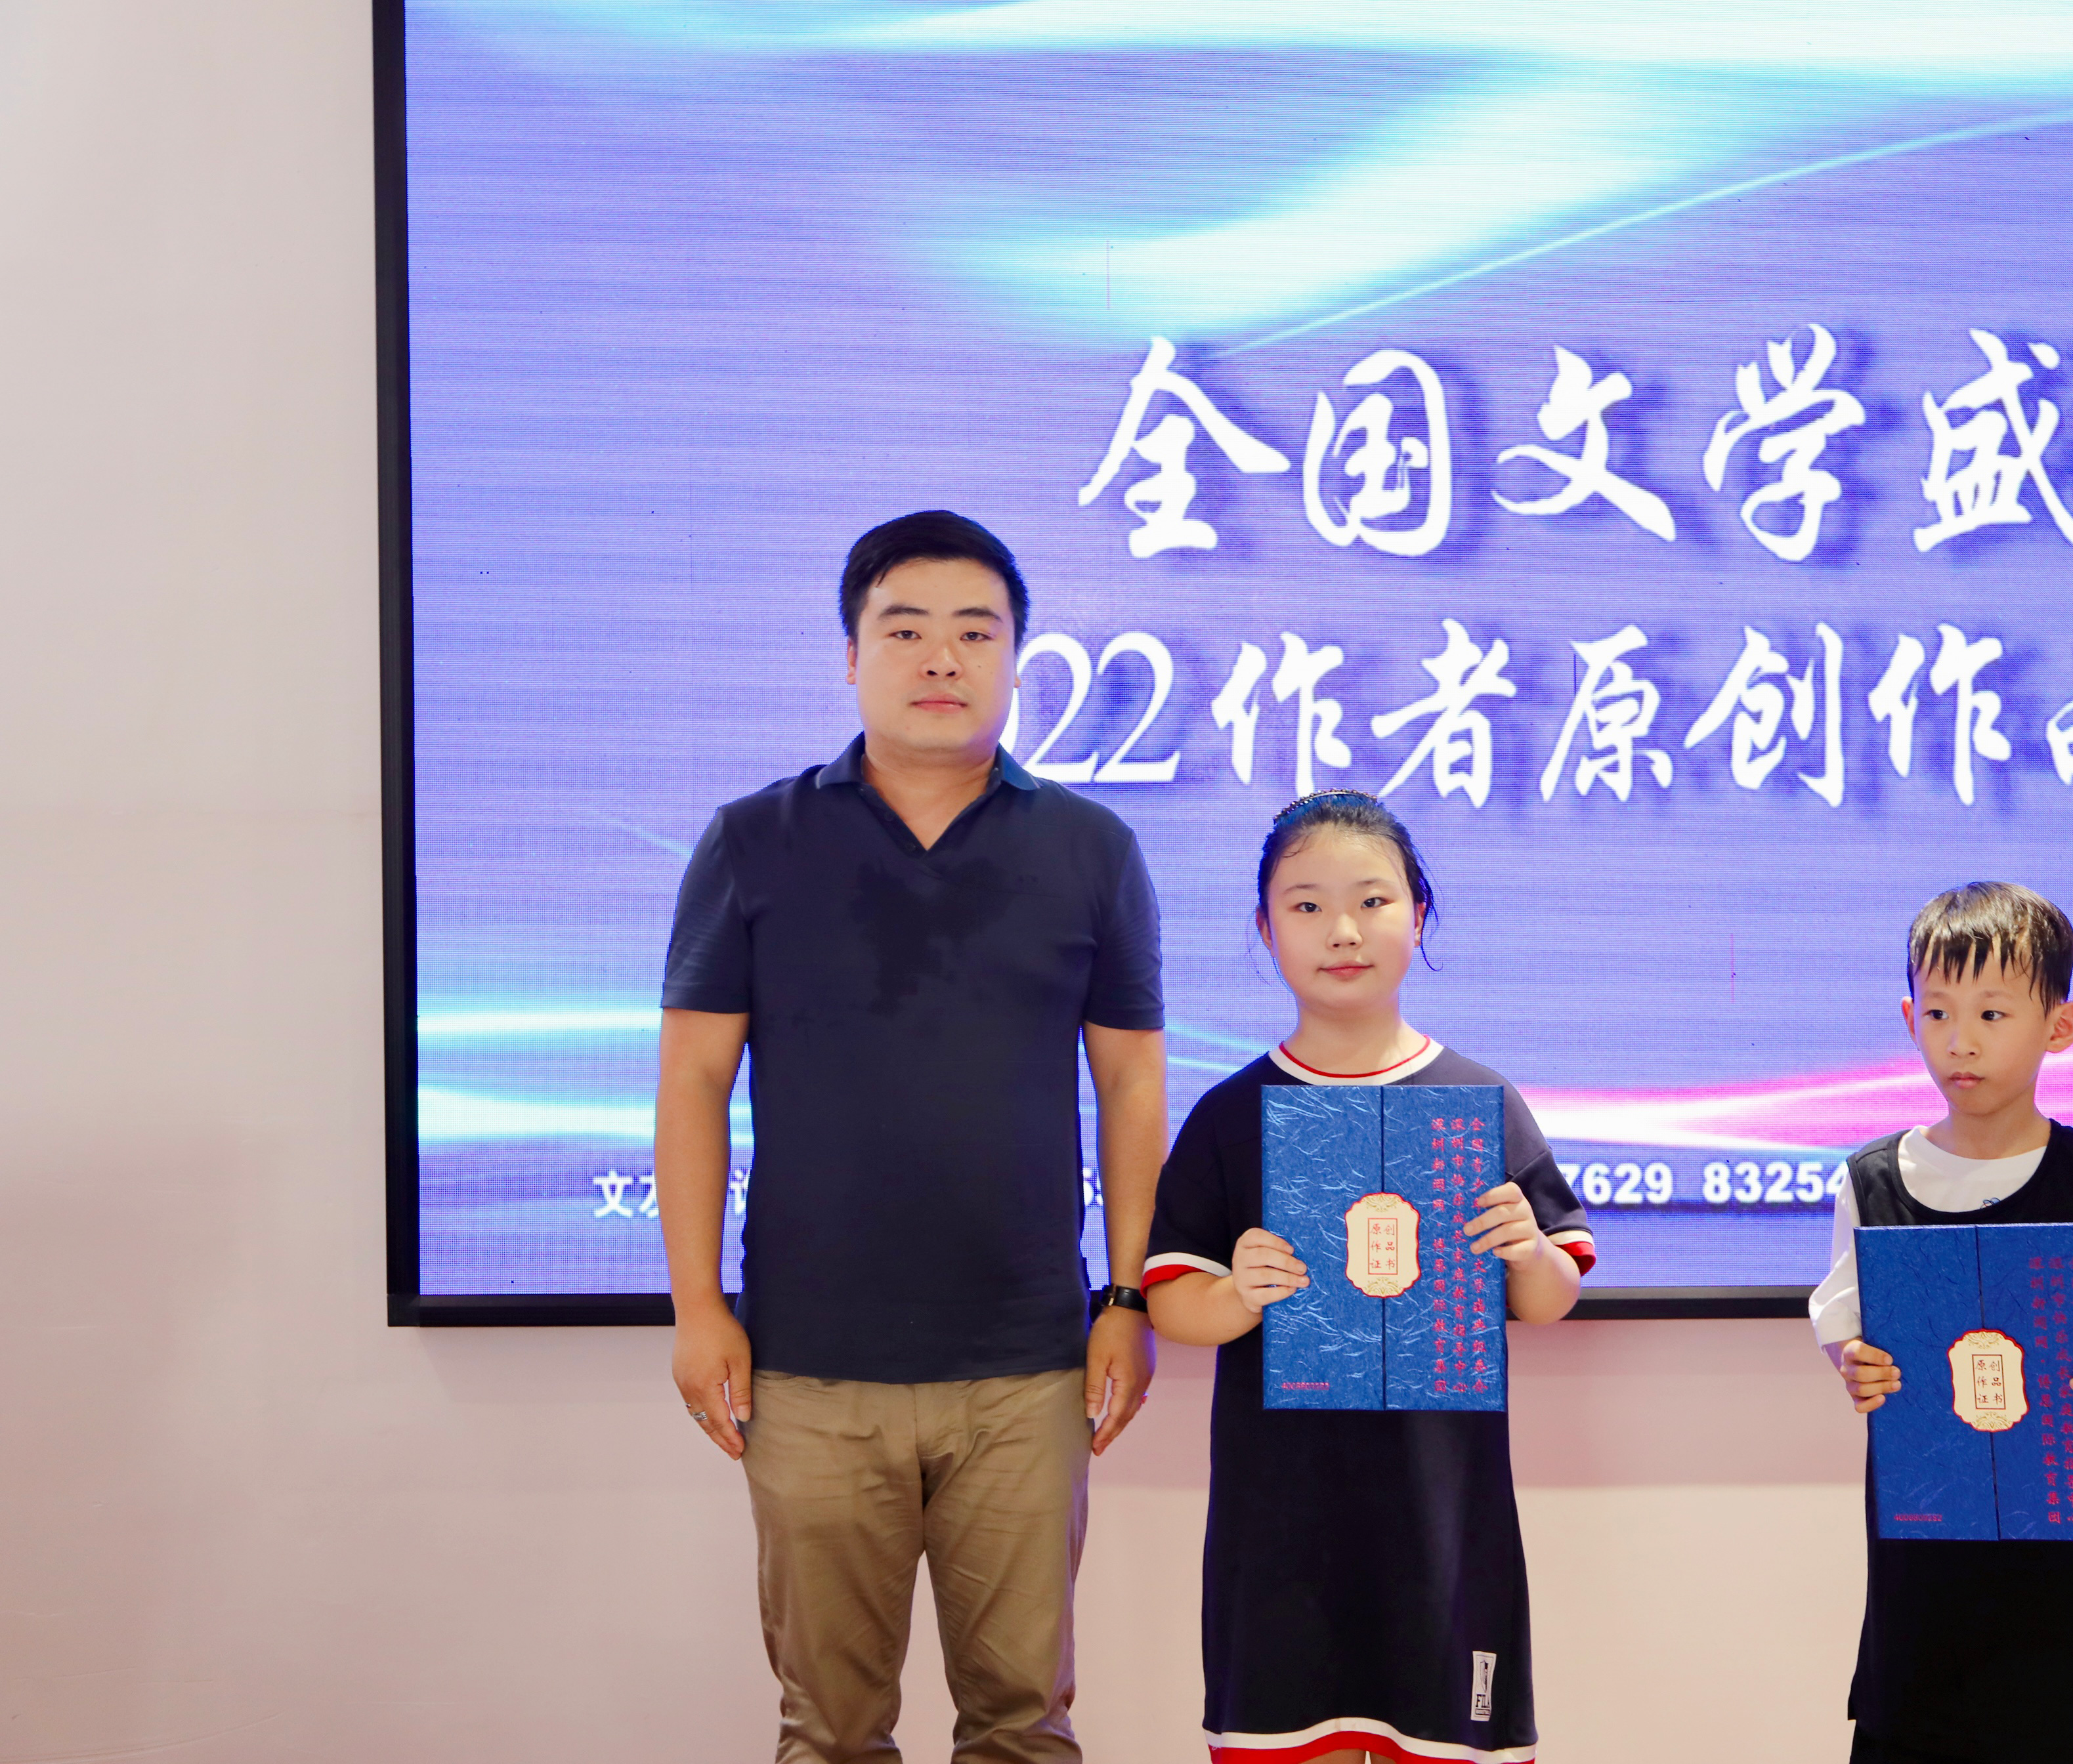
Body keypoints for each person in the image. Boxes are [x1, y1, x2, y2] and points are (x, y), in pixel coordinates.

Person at [652, 510, 1168, 1764]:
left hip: (1027, 1370)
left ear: (1017, 659)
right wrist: (697, 1308)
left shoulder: (1091, 849)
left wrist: (1126, 1299)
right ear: (851, 655)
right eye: (905, 630)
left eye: (976, 633)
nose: (942, 658)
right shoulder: (753, 841)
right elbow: (693, 1083)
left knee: (1022, 1724)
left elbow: (1131, 1089)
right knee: (830, 1731)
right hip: (811, 1367)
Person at [1142, 791, 1597, 1764]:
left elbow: (1551, 1295)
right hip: (1280, 1530)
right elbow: (1173, 1301)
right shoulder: (1231, 1114)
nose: (1342, 931)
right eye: (1306, 906)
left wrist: (1528, 1251)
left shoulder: (1477, 1101)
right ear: (1264, 928)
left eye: (1373, 901)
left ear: (1418, 916)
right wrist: (1236, 1294)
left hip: (1444, 1523)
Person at [1810, 881, 2073, 1764]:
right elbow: (1845, 1330)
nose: (1961, 1040)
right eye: (1938, 1013)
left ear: (2060, 1025)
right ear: (1909, 1018)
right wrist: (1857, 1365)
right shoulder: (1872, 1181)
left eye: (1992, 1013)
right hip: (1926, 1583)